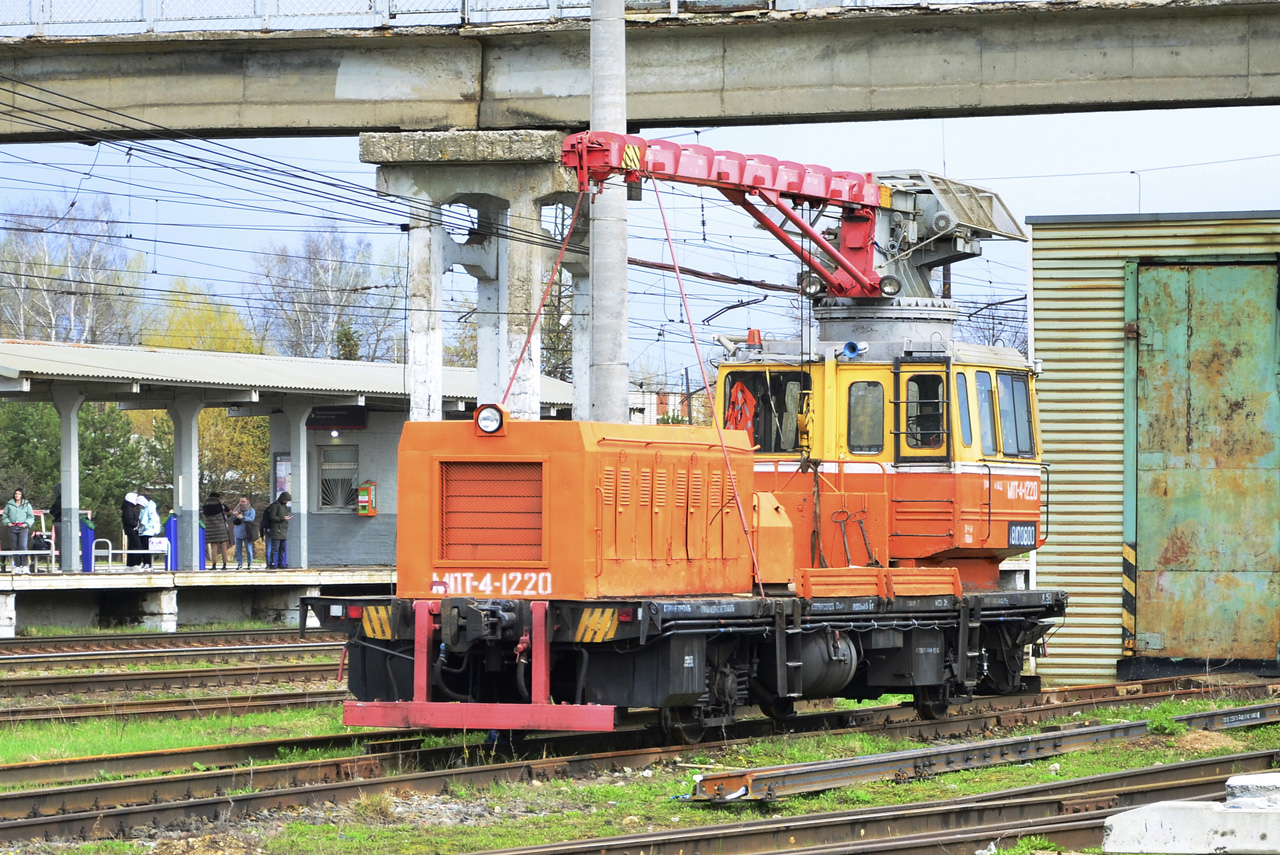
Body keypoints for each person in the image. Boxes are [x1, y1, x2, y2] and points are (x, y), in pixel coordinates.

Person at [3, 488, 35, 573]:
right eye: (16, 494)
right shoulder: (9, 504)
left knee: (23, 546)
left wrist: (26, 524)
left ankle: (24, 566)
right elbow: (5, 515)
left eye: (19, 494)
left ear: (22, 495)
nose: (17, 495)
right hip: (12, 528)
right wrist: (8, 523)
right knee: (14, 547)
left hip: (22, 528)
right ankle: (17, 565)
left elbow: (31, 516)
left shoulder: (26, 504)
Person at [202, 492, 231, 571]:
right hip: (221, 528)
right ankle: (224, 564)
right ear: (217, 498)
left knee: (213, 547)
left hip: (210, 529)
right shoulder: (221, 506)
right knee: (223, 546)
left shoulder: (205, 506)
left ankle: (214, 565)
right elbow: (230, 512)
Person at [265, 491, 292, 570]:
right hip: (276, 529)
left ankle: (281, 562)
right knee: (275, 548)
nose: (286, 502)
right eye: (286, 500)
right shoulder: (275, 506)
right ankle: (272, 563)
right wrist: (282, 518)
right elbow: (272, 517)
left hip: (283, 530)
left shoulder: (284, 507)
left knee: (282, 548)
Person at [231, 496, 257, 570]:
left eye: (243, 501)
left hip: (247, 531)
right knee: (238, 549)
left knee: (248, 548)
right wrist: (234, 515)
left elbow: (251, 519)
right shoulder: (236, 509)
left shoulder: (251, 510)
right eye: (241, 501)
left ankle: (250, 563)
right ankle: (239, 563)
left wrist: (243, 517)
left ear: (247, 501)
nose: (242, 503)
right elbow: (231, 519)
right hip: (238, 531)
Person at [137, 493, 162, 570]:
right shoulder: (143, 509)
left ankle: (148, 563)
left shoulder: (150, 508)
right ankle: (145, 562)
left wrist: (146, 527)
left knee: (147, 548)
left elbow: (152, 520)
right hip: (143, 532)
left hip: (148, 532)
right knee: (143, 548)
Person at [121, 492, 144, 568]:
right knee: (137, 547)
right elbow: (129, 520)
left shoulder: (128, 508)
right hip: (132, 530)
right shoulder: (128, 509)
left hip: (131, 530)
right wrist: (137, 524)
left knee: (132, 547)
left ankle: (131, 564)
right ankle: (135, 564)